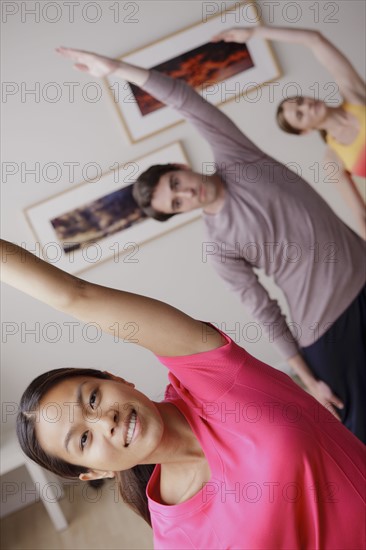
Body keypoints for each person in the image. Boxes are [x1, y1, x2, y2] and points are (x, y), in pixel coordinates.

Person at [54, 46, 366, 443]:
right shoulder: (219, 246)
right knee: (359, 430)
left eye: (176, 185)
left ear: (181, 169)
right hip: (325, 326)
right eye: (177, 203)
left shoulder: (238, 158)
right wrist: (307, 378)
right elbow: (263, 309)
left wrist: (116, 68)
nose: (186, 194)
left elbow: (187, 100)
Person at [1, 238, 365, 549]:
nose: (103, 421)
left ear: (117, 379)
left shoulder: (213, 378)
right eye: (83, 439)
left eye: (93, 399)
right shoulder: (176, 538)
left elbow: (77, 297)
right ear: (94, 472)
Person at [213, 26, 366, 238]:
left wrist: (254, 32)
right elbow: (361, 215)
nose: (306, 106)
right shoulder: (333, 160)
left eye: (301, 101)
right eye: (300, 115)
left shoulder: (355, 95)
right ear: (305, 131)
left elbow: (315, 39)